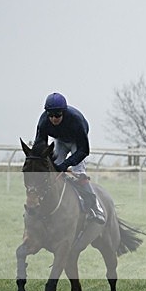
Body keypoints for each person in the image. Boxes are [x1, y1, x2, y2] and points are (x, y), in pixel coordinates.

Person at [33, 92, 105, 224]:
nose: (54, 119)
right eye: (51, 115)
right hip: (60, 140)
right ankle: (44, 204)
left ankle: (96, 207)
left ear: (64, 113)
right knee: (53, 171)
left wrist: (66, 164)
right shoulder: (43, 122)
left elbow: (84, 150)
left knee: (78, 173)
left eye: (58, 115)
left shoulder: (76, 121)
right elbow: (40, 146)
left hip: (77, 143)